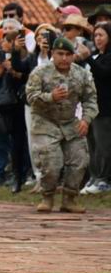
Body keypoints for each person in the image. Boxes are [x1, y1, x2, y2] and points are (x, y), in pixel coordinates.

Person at [26, 38, 98, 213]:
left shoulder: (81, 74)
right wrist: (51, 97)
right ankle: (47, 196)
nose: (64, 58)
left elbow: (91, 100)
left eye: (68, 55)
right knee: (51, 163)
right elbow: (30, 97)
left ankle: (69, 199)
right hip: (45, 123)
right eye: (60, 54)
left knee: (80, 159)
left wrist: (86, 120)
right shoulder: (40, 72)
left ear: (73, 56)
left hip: (69, 122)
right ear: (52, 54)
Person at [0, 30, 32, 193]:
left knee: (19, 142)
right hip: (2, 105)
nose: (1, 43)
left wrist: (13, 71)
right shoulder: (0, 57)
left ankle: (20, 176)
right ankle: (2, 174)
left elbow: (26, 78)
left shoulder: (26, 57)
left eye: (5, 40)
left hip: (18, 104)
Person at [85, 23, 111, 193]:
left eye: (101, 35)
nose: (98, 39)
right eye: (95, 35)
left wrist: (87, 58)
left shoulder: (108, 57)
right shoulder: (95, 56)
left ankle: (104, 179)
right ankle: (94, 177)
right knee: (92, 144)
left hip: (106, 108)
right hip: (91, 107)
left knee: (104, 145)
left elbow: (103, 73)